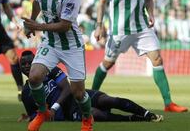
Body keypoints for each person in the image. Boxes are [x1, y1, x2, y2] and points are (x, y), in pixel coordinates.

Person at [91, 0, 188, 113]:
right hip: (119, 29)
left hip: (142, 27)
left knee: (157, 59)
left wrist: (151, 13)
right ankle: (91, 97)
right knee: (107, 63)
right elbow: (102, 3)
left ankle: (168, 103)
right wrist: (99, 25)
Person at [22, 0, 93, 131]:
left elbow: (64, 25)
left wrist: (37, 25)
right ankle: (43, 112)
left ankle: (87, 117)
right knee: (34, 77)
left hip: (72, 46)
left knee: (78, 93)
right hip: (50, 43)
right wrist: (31, 22)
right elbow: (37, 2)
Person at [18, 50, 164, 123]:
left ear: (36, 61)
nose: (26, 66)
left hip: (78, 94)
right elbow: (34, 114)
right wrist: (35, 116)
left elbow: (68, 88)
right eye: (22, 64)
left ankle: (147, 114)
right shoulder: (26, 93)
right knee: (96, 114)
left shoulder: (49, 69)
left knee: (109, 100)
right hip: (69, 111)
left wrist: (54, 107)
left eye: (29, 63)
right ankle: (131, 119)